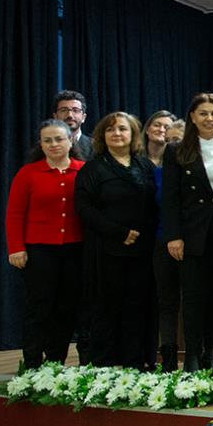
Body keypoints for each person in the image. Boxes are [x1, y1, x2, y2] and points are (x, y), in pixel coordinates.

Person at [162, 93, 213, 378]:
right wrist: (174, 236)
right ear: (192, 117)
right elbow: (170, 198)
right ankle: (192, 356)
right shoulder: (176, 151)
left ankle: (210, 355)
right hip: (191, 235)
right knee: (193, 297)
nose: (209, 118)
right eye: (203, 113)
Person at [75, 112, 159, 368]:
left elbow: (156, 204)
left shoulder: (145, 166)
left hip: (142, 251)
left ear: (133, 134)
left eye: (122, 129)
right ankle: (104, 365)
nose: (117, 133)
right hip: (106, 249)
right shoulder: (93, 169)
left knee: (138, 307)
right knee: (106, 308)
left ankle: (135, 362)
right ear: (102, 135)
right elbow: (84, 208)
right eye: (110, 129)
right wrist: (119, 232)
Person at [6, 119, 85, 369]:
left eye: (58, 139)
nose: (53, 144)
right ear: (40, 144)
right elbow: (14, 214)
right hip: (39, 250)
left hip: (75, 249)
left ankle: (55, 364)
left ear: (70, 140)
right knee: (38, 308)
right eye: (47, 140)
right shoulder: (28, 173)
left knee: (66, 308)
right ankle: (32, 364)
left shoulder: (84, 170)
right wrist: (16, 248)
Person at [144, 109, 177, 370]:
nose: (164, 133)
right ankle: (164, 355)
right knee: (163, 301)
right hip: (158, 240)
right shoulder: (150, 170)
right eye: (158, 125)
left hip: (192, 242)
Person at [53, 90, 92, 159]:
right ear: (55, 117)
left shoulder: (96, 147)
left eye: (75, 110)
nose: (70, 115)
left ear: (83, 117)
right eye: (63, 110)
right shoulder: (47, 145)